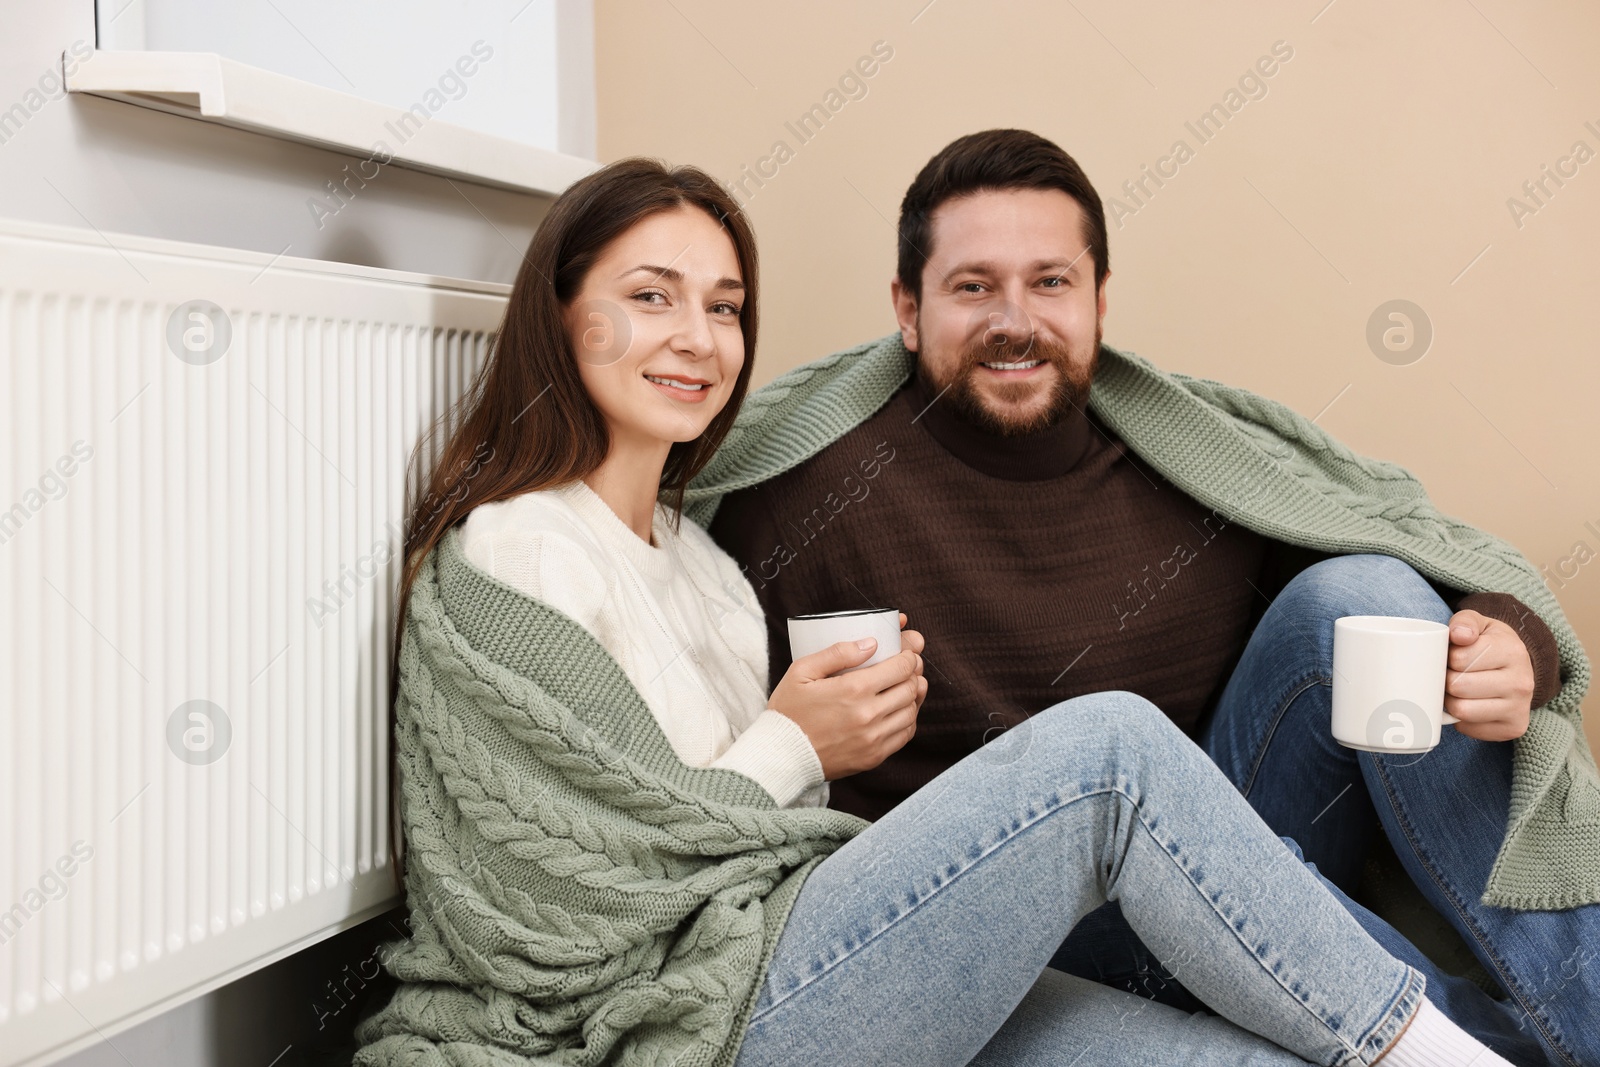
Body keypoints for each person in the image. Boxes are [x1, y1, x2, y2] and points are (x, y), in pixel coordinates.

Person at [355, 156, 1518, 1067]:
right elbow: (588, 897)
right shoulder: (517, 554)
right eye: (648, 298)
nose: (698, 338)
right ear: (560, 320)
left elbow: (1366, 519)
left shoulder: (698, 558)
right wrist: (797, 741)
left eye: (723, 305)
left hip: (827, 970)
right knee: (1105, 750)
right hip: (688, 1027)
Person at [700, 130, 1599, 1066]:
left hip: (1211, 866)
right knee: (1132, 780)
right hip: (992, 933)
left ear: (1098, 302)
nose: (1016, 319)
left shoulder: (1195, 463)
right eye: (973, 287)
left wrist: (1516, 650)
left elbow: (1417, 544)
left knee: (1360, 591)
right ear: (908, 309)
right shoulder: (801, 492)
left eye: (1051, 282)